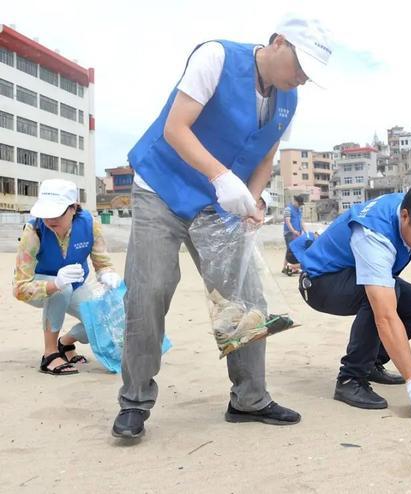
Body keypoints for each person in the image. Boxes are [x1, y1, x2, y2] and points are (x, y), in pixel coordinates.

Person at [112, 15, 333, 439]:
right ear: (279, 42)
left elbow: (266, 157)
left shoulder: (288, 99)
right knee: (150, 289)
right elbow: (175, 128)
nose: (302, 79)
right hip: (162, 188)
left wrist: (253, 201)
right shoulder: (215, 57)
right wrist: (220, 178)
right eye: (300, 67)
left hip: (219, 204)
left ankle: (249, 399)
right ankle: (135, 401)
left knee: (246, 296)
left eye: (309, 76)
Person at [291, 181, 411, 416]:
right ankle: (351, 378)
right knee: (383, 298)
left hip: (351, 274)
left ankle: (371, 363)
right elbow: (386, 316)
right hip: (320, 283)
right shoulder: (373, 235)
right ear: (405, 216)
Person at [13, 179, 122, 375]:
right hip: (40, 287)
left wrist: (108, 275)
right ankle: (50, 354)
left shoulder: (90, 225)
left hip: (75, 285)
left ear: (73, 208)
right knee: (62, 290)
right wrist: (55, 283)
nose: (49, 220)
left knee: (100, 319)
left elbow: (102, 263)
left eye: (57, 213)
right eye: (45, 213)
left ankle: (65, 343)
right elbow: (19, 288)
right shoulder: (34, 232)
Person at [282, 195, 306, 275]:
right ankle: (285, 267)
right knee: (290, 250)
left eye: (301, 204)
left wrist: (305, 231)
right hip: (289, 233)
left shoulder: (299, 210)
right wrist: (293, 231)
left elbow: (301, 221)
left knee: (295, 250)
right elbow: (288, 222)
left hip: (298, 233)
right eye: (299, 203)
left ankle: (293, 267)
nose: (300, 205)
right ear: (295, 201)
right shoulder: (288, 209)